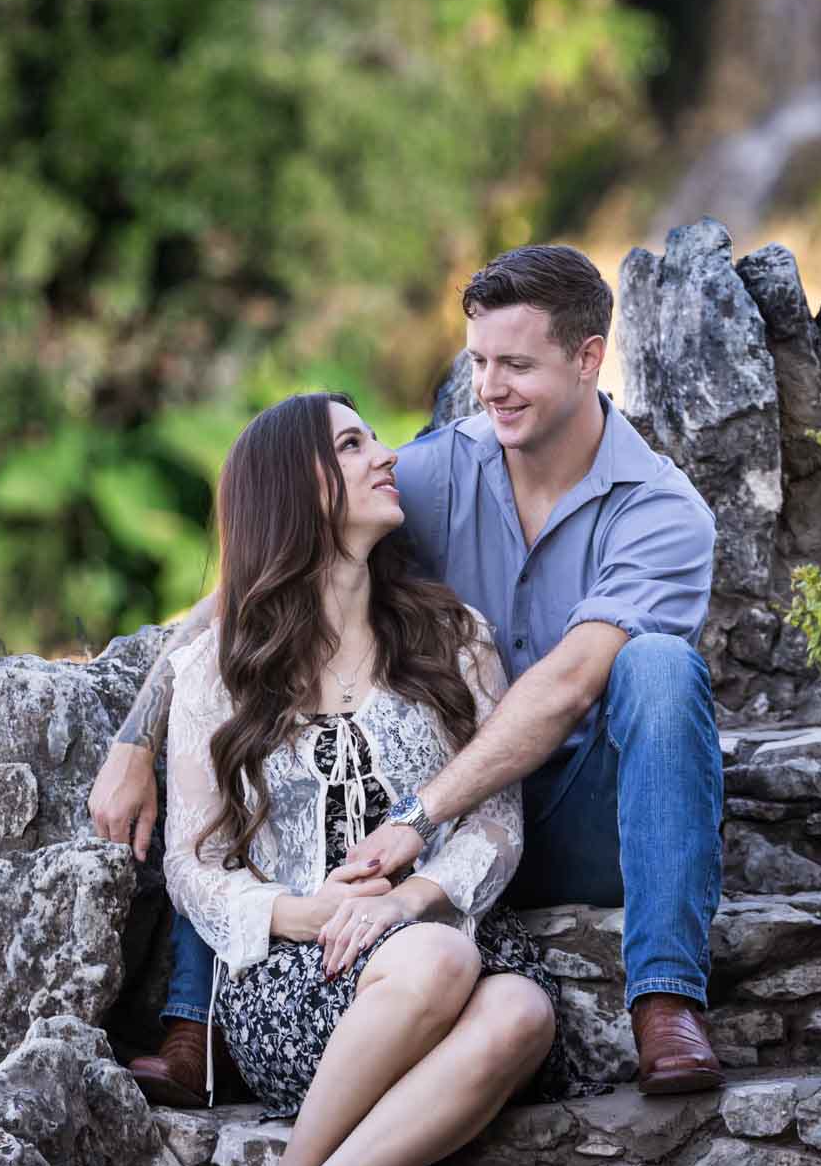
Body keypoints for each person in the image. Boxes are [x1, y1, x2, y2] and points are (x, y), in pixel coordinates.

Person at [91, 242, 723, 1115]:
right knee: (255, 693)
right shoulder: (434, 471)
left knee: (660, 666)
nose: (490, 387)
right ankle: (191, 1024)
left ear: (587, 359)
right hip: (443, 808)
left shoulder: (661, 511)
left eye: (516, 364)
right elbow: (261, 571)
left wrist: (415, 819)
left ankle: (664, 999)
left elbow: (572, 682)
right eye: (478, 363)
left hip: (578, 811)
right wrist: (135, 733)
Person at [133, 388, 586, 1166]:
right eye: (352, 444)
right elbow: (189, 863)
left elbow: (497, 818)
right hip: (295, 978)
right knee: (441, 958)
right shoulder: (217, 665)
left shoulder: (450, 635)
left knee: (521, 1016)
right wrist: (309, 913)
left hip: (441, 945)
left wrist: (411, 898)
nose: (384, 456)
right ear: (295, 490)